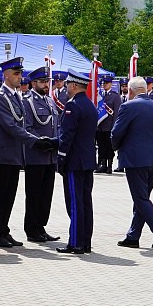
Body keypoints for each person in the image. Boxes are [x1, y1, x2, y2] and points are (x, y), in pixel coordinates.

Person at [0, 57, 51, 248]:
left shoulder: (15, 96)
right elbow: (10, 126)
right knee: (0, 196)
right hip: (3, 154)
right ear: (6, 75)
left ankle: (4, 230)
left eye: (20, 73)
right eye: (16, 74)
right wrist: (35, 141)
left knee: (9, 196)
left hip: (15, 154)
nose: (19, 77)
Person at [110, 76, 153, 249]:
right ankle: (133, 236)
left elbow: (116, 132)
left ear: (130, 91)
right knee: (142, 199)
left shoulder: (128, 106)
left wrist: (115, 147)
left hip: (135, 159)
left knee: (141, 199)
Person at [56, 72, 99, 255]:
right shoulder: (89, 105)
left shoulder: (72, 106)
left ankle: (75, 243)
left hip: (74, 162)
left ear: (73, 86)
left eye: (67, 85)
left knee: (74, 204)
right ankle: (85, 242)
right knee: (85, 203)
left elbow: (67, 137)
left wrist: (61, 159)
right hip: (87, 161)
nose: (66, 88)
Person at [21, 66, 60, 242]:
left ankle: (41, 226)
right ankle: (31, 229)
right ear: (33, 83)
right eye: (43, 82)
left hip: (50, 155)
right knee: (34, 194)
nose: (46, 85)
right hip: (36, 155)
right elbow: (27, 127)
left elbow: (56, 126)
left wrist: (56, 142)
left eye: (47, 82)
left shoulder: (49, 101)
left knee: (46, 195)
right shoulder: (27, 101)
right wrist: (40, 142)